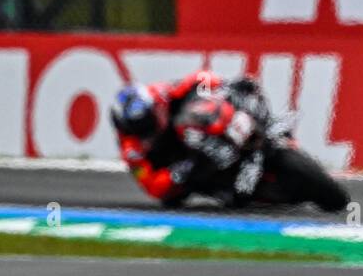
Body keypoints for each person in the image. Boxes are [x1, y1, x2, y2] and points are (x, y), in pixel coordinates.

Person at [110, 70, 268, 206]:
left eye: (148, 120)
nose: (147, 129)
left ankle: (252, 125)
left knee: (204, 106)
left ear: (155, 106)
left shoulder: (161, 94)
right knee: (171, 199)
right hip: (180, 161)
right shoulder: (131, 148)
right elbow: (152, 186)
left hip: (199, 128)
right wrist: (178, 172)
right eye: (140, 127)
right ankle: (221, 184)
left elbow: (201, 77)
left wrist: (223, 85)